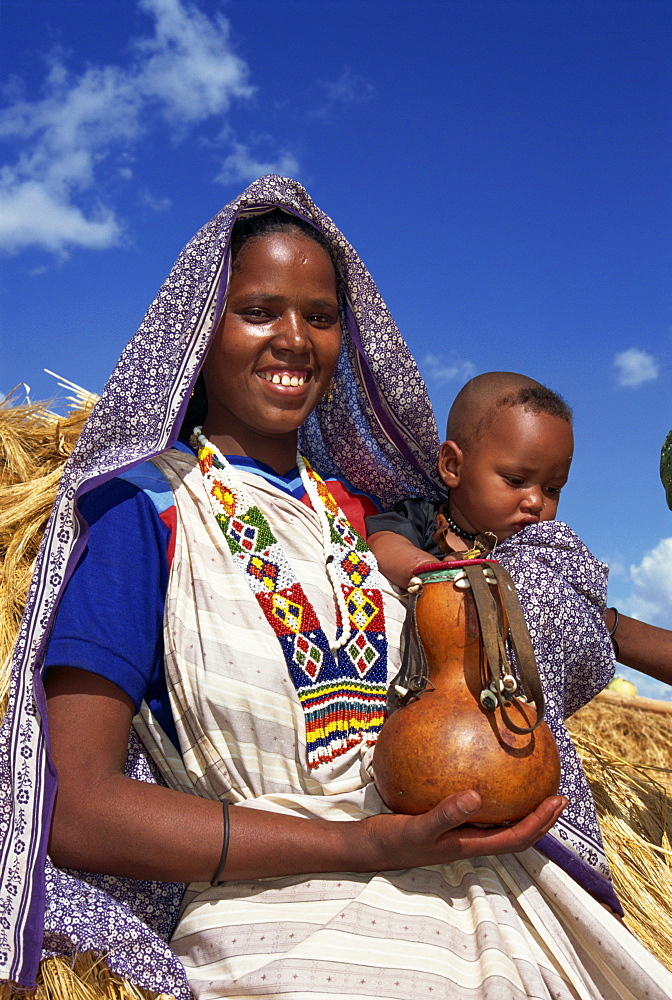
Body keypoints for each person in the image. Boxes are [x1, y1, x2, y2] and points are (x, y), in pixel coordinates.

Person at [1, 177, 671, 1000]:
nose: (295, 338)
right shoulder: (142, 514)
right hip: (275, 934)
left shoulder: (371, 522)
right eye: (259, 311)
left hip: (496, 906)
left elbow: (571, 623)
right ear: (200, 328)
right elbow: (80, 810)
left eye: (320, 318)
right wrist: (370, 848)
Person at [366, 371, 629, 911]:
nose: (537, 502)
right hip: (443, 721)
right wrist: (444, 576)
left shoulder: (539, 550)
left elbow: (572, 606)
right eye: (516, 480)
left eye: (552, 489)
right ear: (453, 466)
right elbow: (382, 544)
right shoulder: (421, 519)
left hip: (507, 718)